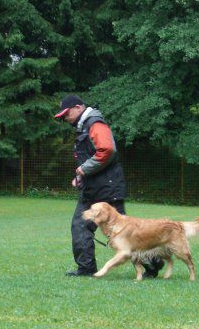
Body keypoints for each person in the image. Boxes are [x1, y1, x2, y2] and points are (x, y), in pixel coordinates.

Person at [54, 94, 164, 278]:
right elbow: (90, 159)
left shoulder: (95, 123)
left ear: (78, 108)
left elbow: (107, 150)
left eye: (67, 114)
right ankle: (86, 269)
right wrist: (80, 175)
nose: (65, 118)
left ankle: (153, 263)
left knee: (126, 233)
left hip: (108, 189)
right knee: (80, 226)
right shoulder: (84, 127)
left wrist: (84, 169)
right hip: (92, 189)